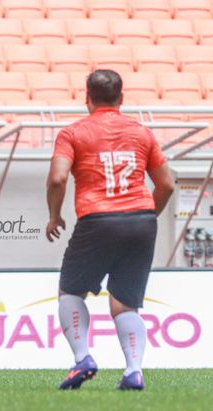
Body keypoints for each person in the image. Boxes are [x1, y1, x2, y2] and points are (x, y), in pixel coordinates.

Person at [45, 69, 175, 391]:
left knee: (71, 292)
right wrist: (145, 216)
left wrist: (54, 216)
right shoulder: (142, 133)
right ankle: (133, 371)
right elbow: (167, 185)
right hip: (142, 220)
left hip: (98, 218)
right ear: (121, 98)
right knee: (124, 303)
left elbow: (58, 178)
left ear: (86, 97)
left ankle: (82, 358)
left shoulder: (73, 133)